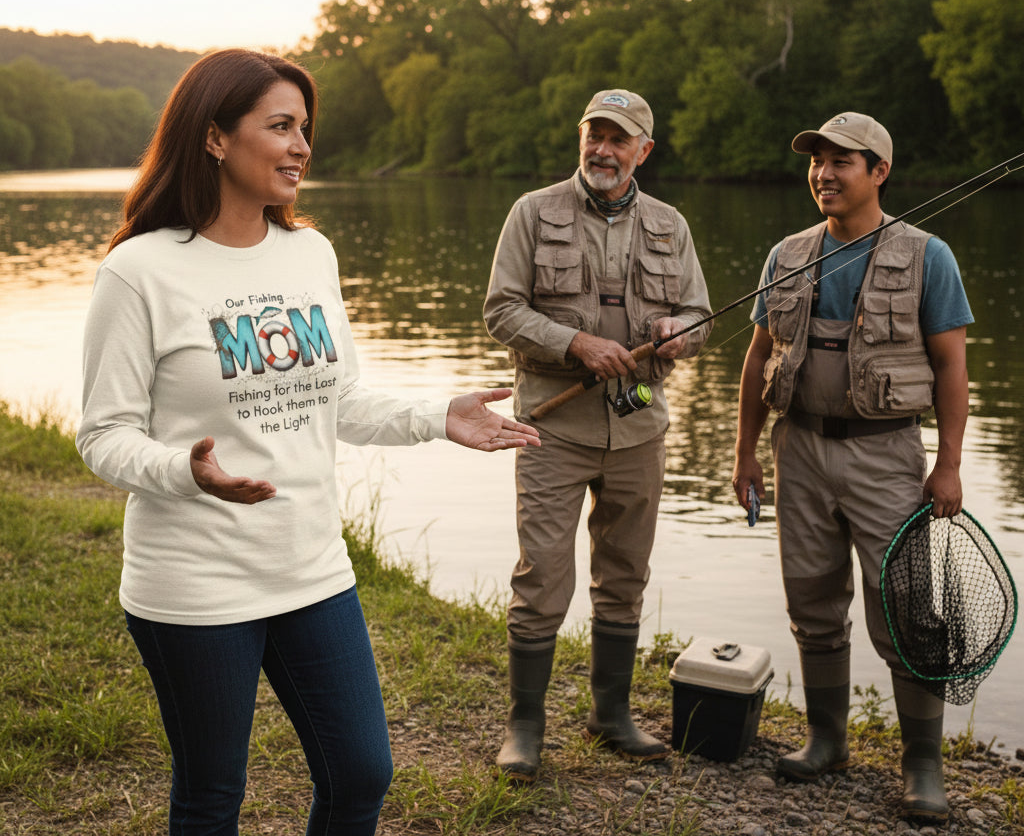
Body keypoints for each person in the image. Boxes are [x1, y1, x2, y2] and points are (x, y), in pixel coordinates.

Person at [75, 48, 540, 836]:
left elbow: (341, 400)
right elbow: (103, 434)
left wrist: (438, 416)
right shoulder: (139, 270)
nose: (302, 146)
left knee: (361, 773)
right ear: (217, 137)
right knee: (212, 794)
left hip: (312, 567)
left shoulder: (310, 253)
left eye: (305, 128)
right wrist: (183, 470)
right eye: (280, 126)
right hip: (195, 583)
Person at [731, 112, 972, 822]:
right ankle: (826, 740)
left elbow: (953, 366)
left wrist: (949, 465)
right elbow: (756, 358)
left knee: (907, 614)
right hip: (797, 448)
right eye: (817, 161)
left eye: (843, 161)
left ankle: (922, 769)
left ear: (879, 172)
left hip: (887, 453)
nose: (824, 173)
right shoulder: (786, 253)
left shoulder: (930, 256)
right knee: (811, 600)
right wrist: (745, 451)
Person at [482, 88, 713, 782]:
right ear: (581, 139)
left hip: (641, 430)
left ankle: (610, 716)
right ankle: (525, 725)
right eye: (595, 135)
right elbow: (500, 311)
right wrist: (575, 343)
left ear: (644, 151)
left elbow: (702, 315)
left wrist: (682, 335)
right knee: (542, 576)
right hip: (551, 427)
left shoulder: (671, 224)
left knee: (625, 577)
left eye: (620, 139)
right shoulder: (532, 211)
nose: (604, 150)